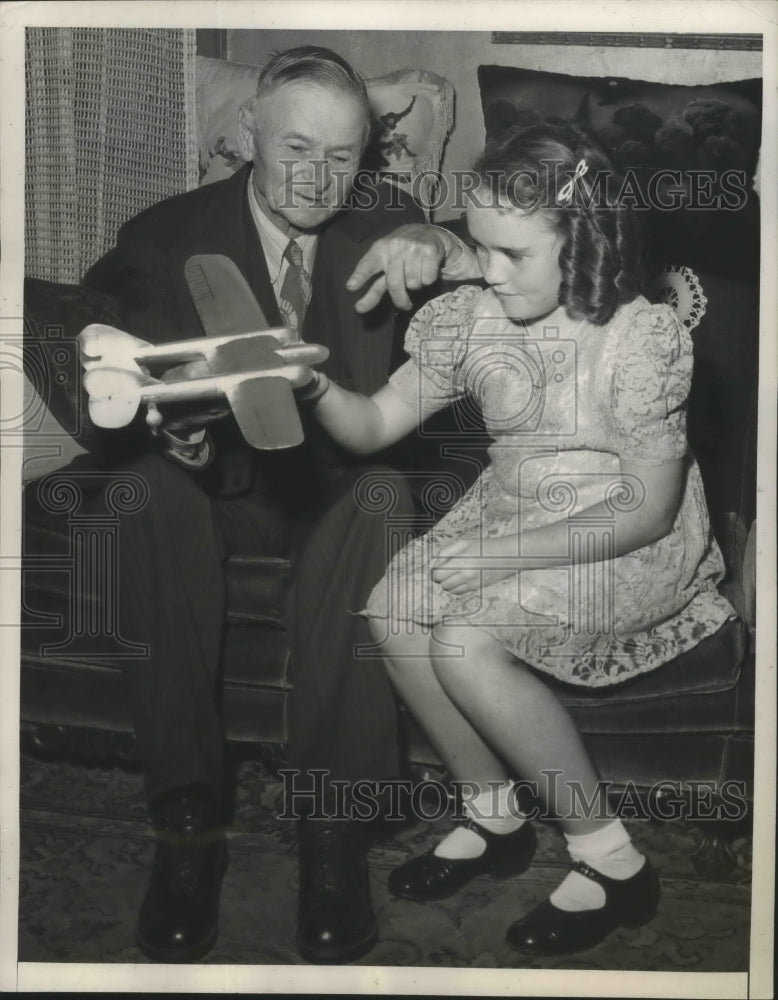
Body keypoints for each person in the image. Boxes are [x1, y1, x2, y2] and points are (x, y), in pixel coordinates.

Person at [292, 121, 736, 955]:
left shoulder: (642, 338)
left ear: (585, 242)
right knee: (393, 609)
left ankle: (613, 861)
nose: (485, 271)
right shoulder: (473, 316)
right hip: (514, 511)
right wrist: (312, 383)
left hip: (623, 532)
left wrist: (500, 557)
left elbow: (646, 506)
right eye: (478, 247)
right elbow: (374, 422)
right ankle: (493, 816)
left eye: (511, 255)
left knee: (464, 640)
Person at [82, 45, 454, 965]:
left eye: (343, 155)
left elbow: (519, 269)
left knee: (381, 490)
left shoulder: (390, 223)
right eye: (295, 149)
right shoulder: (164, 236)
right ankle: (187, 820)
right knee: (142, 492)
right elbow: (113, 356)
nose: (318, 179)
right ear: (247, 132)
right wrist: (168, 430)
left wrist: (446, 244)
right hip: (219, 491)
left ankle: (334, 829)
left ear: (367, 153)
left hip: (336, 494)